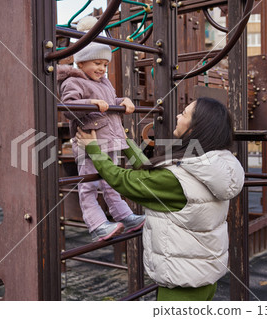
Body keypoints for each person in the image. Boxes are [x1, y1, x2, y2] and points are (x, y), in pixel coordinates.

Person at [75, 97, 245, 301]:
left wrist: (94, 148)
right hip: (203, 275)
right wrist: (123, 141)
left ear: (196, 127)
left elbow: (125, 181)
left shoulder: (176, 179)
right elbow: (154, 174)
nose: (177, 115)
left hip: (181, 286)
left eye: (184, 113)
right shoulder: (213, 163)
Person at [57, 16, 145, 242]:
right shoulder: (73, 82)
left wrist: (123, 100)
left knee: (112, 183)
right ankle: (96, 225)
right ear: (81, 63)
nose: (102, 69)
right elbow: (68, 107)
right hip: (90, 141)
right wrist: (90, 104)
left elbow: (109, 100)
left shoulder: (104, 82)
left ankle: (124, 216)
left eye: (105, 65)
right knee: (89, 185)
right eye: (96, 63)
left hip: (112, 140)